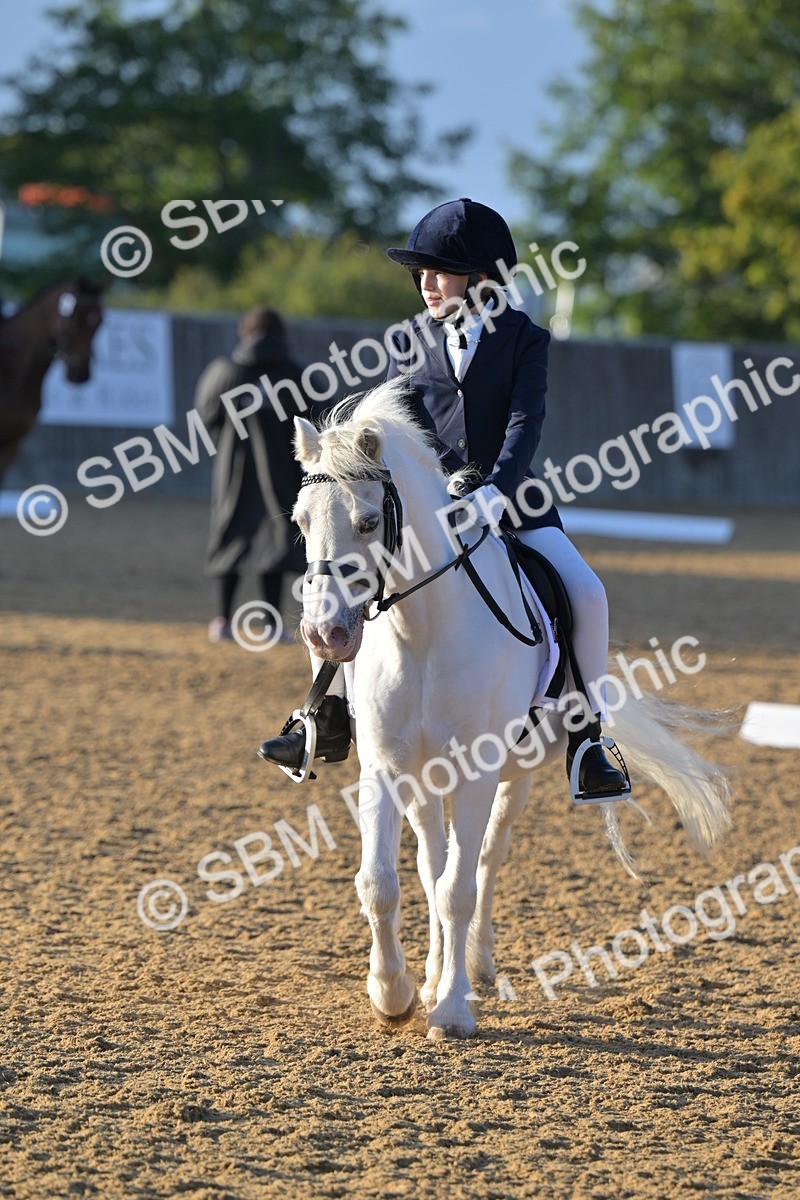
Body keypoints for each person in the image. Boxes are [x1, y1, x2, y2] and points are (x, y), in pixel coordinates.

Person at [259, 199, 626, 801]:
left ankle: (589, 740)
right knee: (348, 578)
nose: (426, 284)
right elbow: (401, 424)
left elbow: (524, 422)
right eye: (421, 273)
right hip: (433, 509)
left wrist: (494, 490)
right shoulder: (413, 340)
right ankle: (324, 716)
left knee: (587, 593)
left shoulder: (524, 339)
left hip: (514, 502)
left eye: (440, 272)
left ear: (483, 277)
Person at [195, 308, 305, 644]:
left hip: (234, 473)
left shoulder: (224, 372)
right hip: (282, 475)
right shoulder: (296, 374)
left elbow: (206, 416)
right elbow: (317, 420)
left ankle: (222, 621)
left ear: (245, 333)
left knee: (231, 536)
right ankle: (271, 625)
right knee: (274, 542)